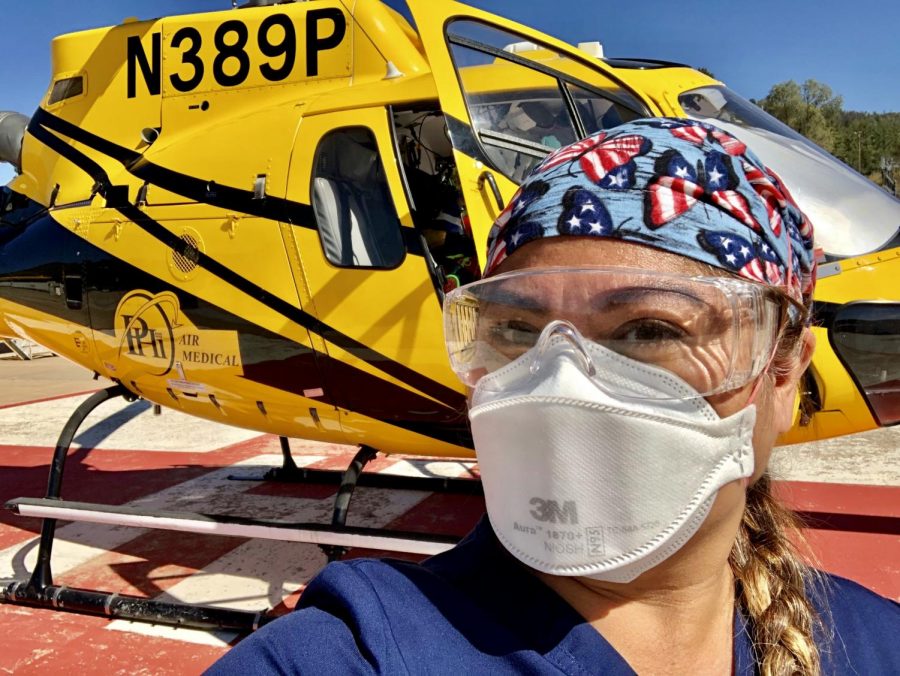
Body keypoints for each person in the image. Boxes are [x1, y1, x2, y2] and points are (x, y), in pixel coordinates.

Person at [208, 120, 899, 675]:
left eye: (649, 329)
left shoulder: (878, 646)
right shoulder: (354, 651)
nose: (561, 381)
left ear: (782, 376)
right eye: (516, 329)